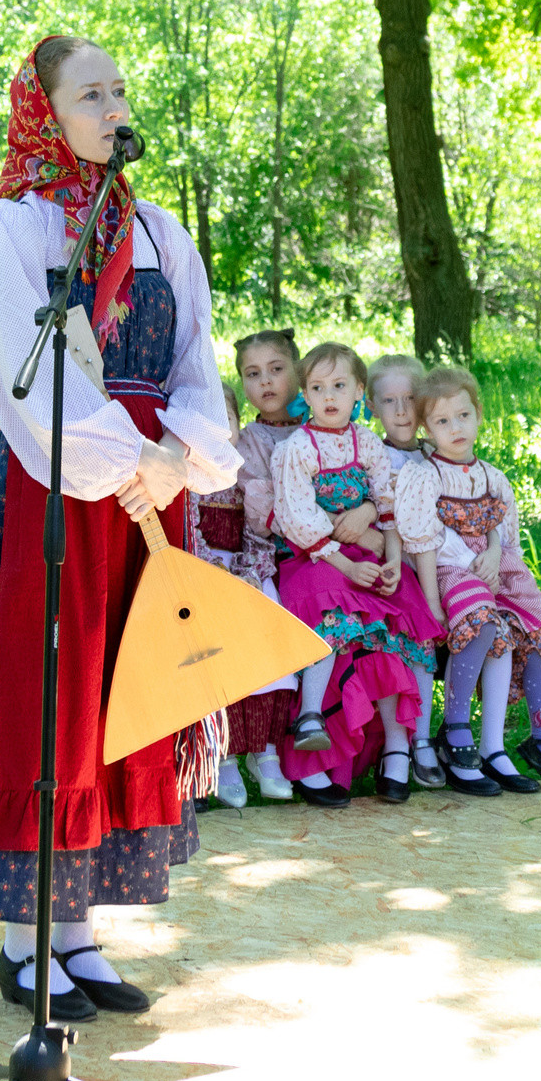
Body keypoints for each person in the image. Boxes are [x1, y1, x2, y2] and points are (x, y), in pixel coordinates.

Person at [0, 35, 243, 1023]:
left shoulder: (160, 234)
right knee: (51, 703)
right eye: (88, 93)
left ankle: (80, 934)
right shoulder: (14, 231)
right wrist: (121, 461)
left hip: (148, 503)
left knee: (116, 705)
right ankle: (27, 945)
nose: (110, 107)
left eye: (117, 90)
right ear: (44, 113)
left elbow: (195, 367)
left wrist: (180, 459)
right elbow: (26, 374)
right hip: (59, 499)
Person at [270, 342, 439, 806]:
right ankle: (310, 719)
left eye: (340, 386)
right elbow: (297, 517)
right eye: (318, 388)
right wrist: (344, 560)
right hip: (315, 557)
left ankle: (399, 748)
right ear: (306, 393)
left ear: (358, 391)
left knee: (397, 619)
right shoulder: (297, 448)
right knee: (334, 613)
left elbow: (387, 501)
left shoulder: (366, 442)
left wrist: (386, 549)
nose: (330, 396)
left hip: (368, 554)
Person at [399, 364, 541, 796]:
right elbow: (423, 545)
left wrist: (492, 554)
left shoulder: (492, 476)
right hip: (448, 573)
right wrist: (433, 604)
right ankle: (455, 733)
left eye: (463, 416)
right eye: (442, 421)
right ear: (426, 428)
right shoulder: (425, 475)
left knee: (528, 627)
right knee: (484, 622)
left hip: (491, 568)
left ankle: (510, 744)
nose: (456, 428)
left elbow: (503, 534)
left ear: (478, 413)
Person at [191, 383, 294, 808]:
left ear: (238, 426)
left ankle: (264, 751)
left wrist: (249, 573)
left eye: (227, 421)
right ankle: (225, 755)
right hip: (203, 574)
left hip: (245, 571)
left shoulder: (247, 479)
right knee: (218, 650)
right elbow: (187, 532)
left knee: (269, 624)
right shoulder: (188, 480)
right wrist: (211, 570)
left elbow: (257, 533)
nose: (219, 431)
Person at [364, 352, 446, 789]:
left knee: (424, 645)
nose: (400, 410)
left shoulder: (436, 455)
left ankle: (426, 739)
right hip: (386, 565)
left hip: (436, 566)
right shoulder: (370, 454)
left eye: (409, 399)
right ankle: (397, 743)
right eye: (388, 400)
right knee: (395, 637)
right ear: (371, 406)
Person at [229, 329, 303, 799]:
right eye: (253, 375)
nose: (267, 382)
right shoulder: (246, 441)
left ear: (298, 371)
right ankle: (247, 747)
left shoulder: (325, 429)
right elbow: (260, 512)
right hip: (273, 554)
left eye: (277, 370)